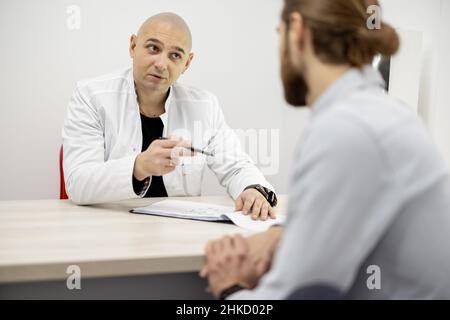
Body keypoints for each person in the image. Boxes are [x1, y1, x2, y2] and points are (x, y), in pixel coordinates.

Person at [201, 0, 450, 299]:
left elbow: (287, 295)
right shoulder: (382, 114)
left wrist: (230, 285)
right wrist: (287, 233)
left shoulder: (346, 129)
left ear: (297, 30)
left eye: (279, 34)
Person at [62, 13, 278, 220]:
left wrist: (253, 189)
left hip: (177, 231)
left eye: (175, 55)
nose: (161, 64)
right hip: (106, 226)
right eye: (153, 48)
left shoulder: (204, 106)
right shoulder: (91, 95)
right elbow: (78, 183)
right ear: (133, 46)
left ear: (187, 62)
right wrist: (139, 167)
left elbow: (236, 166)